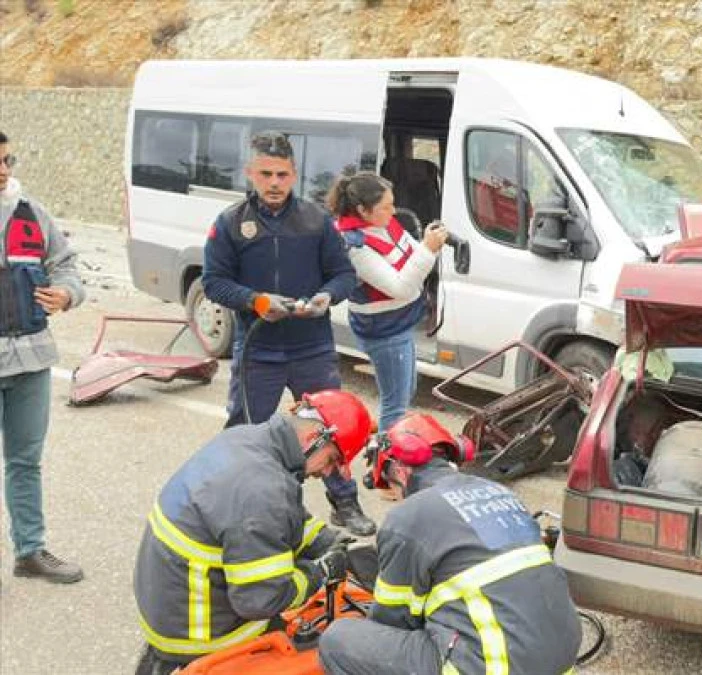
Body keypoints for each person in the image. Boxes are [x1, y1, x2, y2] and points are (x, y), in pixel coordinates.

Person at [202, 131, 375, 536]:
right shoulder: (230, 223)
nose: (274, 182)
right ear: (250, 173)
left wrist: (326, 296)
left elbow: (344, 275)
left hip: (311, 348)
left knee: (331, 431)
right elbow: (214, 283)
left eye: (282, 174)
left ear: (294, 174)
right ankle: (232, 502)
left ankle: (344, 503)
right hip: (257, 349)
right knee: (245, 431)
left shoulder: (316, 221)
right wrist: (256, 301)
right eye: (266, 173)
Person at [319, 413, 581, 675]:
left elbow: (393, 620)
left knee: (339, 640)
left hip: (493, 666)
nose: (395, 496)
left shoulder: (408, 516)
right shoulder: (499, 492)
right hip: (560, 657)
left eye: (389, 485)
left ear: (399, 471)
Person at [133, 390, 372, 674]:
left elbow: (276, 522)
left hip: (170, 605)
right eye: (332, 460)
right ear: (313, 439)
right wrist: (318, 573)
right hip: (198, 635)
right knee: (319, 651)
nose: (326, 473)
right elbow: (260, 599)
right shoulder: (265, 488)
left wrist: (326, 541)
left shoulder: (248, 441)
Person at [0, 130, 85, 584]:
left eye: (7, 160)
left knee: (24, 461)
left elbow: (67, 264)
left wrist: (67, 294)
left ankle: (29, 551)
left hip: (31, 361)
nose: (4, 170)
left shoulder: (31, 213)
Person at [328, 173, 448, 434]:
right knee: (395, 407)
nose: (393, 211)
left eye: (393, 203)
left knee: (406, 392)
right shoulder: (354, 245)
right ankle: (386, 462)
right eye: (385, 206)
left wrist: (426, 244)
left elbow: (410, 254)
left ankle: (389, 454)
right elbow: (401, 288)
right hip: (385, 331)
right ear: (363, 210)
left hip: (401, 324)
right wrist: (428, 249)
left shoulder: (385, 224)